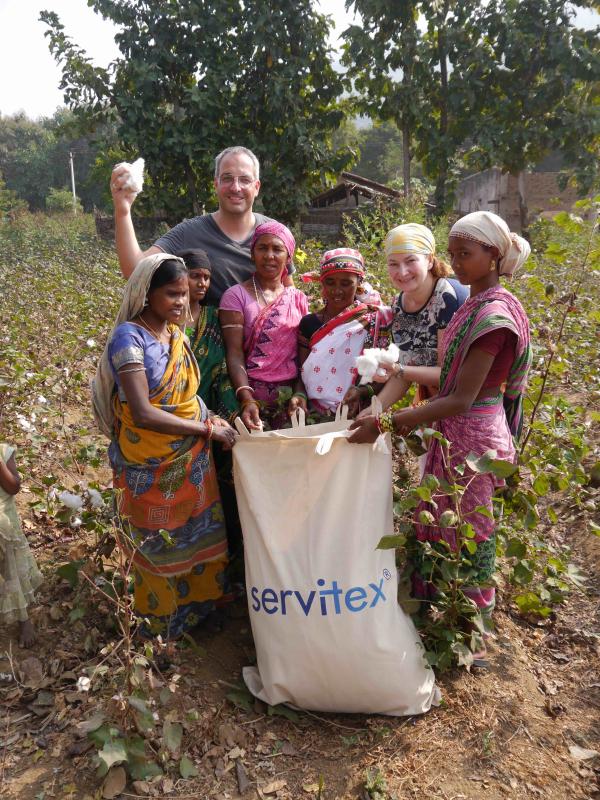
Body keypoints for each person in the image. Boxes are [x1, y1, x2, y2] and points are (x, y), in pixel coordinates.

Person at [348, 211, 532, 664]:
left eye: (465, 254)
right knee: (440, 523)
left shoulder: (492, 315)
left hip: (475, 439)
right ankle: (442, 622)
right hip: (452, 437)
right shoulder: (473, 302)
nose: (456, 262)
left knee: (471, 534)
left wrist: (387, 423)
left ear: (494, 254)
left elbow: (460, 398)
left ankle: (471, 636)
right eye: (453, 254)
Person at [92, 253, 238, 639]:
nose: (181, 302)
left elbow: (187, 394)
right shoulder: (130, 337)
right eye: (172, 294)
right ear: (146, 293)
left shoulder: (174, 334)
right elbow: (142, 412)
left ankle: (200, 611)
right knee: (158, 544)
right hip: (149, 463)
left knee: (198, 533)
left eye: (186, 295)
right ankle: (160, 628)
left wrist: (211, 417)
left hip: (190, 459)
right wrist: (206, 431)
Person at [110, 146, 294, 303]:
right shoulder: (189, 233)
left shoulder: (274, 235)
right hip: (206, 343)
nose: (236, 187)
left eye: (244, 180)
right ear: (216, 184)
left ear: (257, 187)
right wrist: (123, 210)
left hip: (266, 342)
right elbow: (135, 271)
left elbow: (290, 297)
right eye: (227, 178)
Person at [363, 223, 469, 414]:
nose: (402, 272)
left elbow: (449, 374)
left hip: (464, 404)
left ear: (429, 260)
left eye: (410, 261)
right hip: (432, 401)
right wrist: (373, 410)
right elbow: (405, 370)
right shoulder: (398, 304)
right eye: (393, 264)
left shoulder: (448, 298)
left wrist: (396, 369)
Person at [220, 221, 308, 430]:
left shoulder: (298, 299)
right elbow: (234, 354)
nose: (269, 256)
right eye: (262, 248)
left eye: (277, 249)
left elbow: (305, 354)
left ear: (289, 258)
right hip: (249, 399)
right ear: (252, 254)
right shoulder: (235, 296)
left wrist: (300, 392)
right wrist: (247, 398)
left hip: (290, 402)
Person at [288, 248, 392, 420]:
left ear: (359, 282)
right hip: (313, 415)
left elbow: (386, 374)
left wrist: (362, 391)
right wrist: (300, 395)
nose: (337, 290)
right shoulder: (309, 324)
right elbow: (301, 372)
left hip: (359, 414)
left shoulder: (372, 321)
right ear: (322, 282)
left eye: (346, 283)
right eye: (330, 282)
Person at [180, 248, 238, 420]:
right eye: (195, 276)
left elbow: (224, 367)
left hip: (209, 410)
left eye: (206, 277)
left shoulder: (214, 317)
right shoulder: (165, 320)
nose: (202, 283)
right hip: (171, 408)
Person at [0, 441, 42, 648]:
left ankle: (24, 620)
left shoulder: (4, 451)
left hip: (6, 527)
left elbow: (14, 487)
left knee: (12, 572)